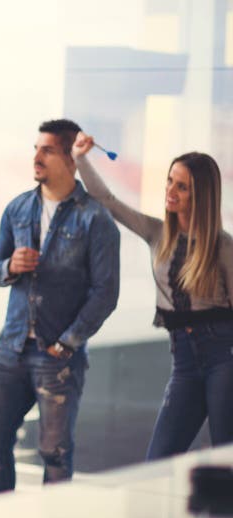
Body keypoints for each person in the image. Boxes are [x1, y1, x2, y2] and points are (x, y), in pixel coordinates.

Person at [73, 132, 233, 460]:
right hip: (184, 362)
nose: (170, 192)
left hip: (223, 359)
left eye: (181, 186)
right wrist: (80, 159)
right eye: (169, 181)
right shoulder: (157, 233)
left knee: (225, 459)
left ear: (201, 195)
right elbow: (108, 201)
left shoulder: (223, 247)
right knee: (157, 460)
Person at [0, 119, 120, 495]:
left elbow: (106, 292)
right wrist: (10, 267)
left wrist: (68, 342)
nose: (37, 157)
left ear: (70, 159)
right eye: (36, 148)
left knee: (55, 456)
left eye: (47, 150)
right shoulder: (17, 209)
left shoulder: (96, 218)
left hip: (57, 357)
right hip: (9, 349)